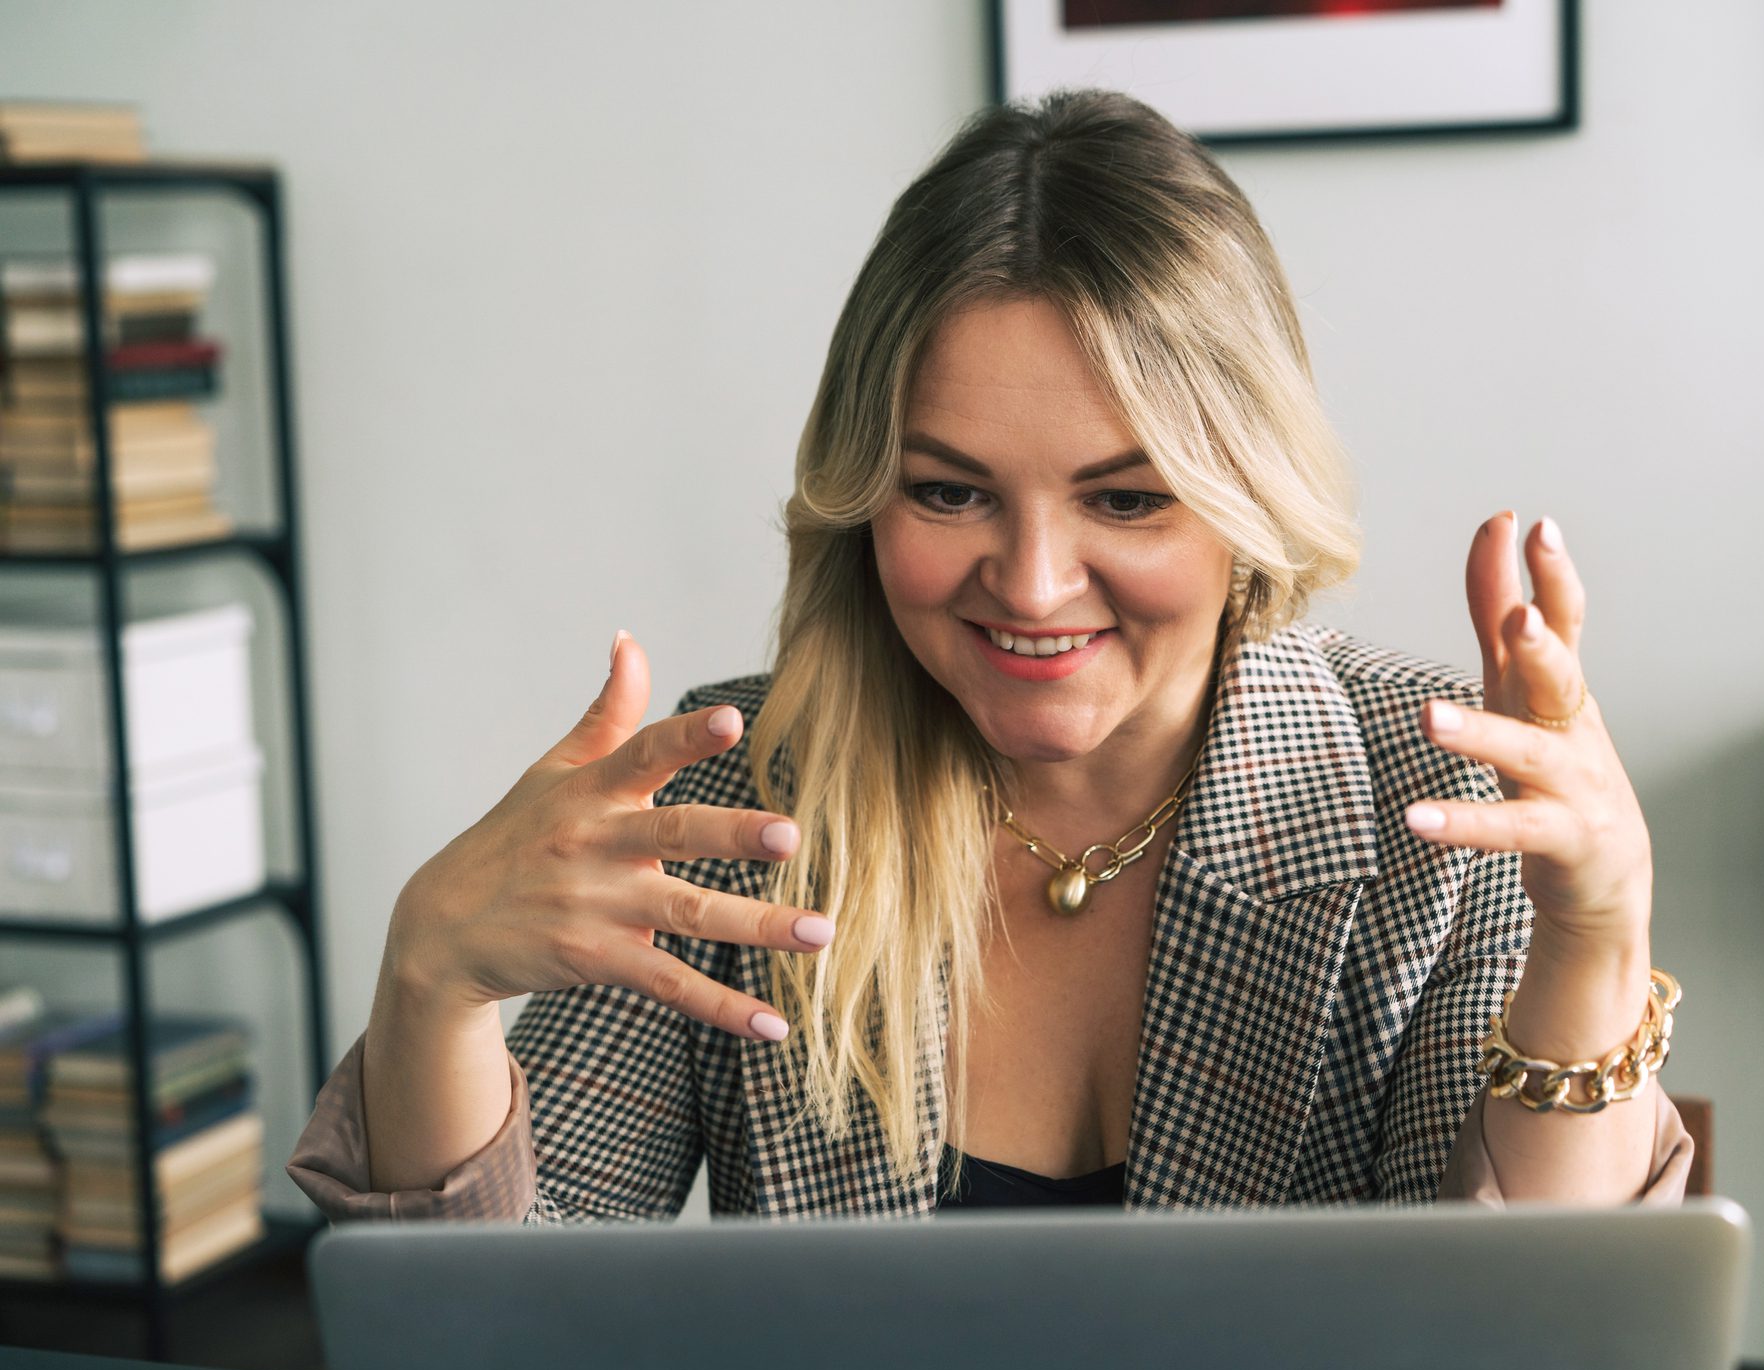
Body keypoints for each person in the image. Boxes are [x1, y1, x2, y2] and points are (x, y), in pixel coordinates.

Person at [288, 87, 1690, 1223]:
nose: (1027, 584)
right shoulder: (736, 799)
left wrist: (1593, 942)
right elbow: (502, 1342)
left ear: (1244, 506)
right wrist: (431, 984)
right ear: (862, 494)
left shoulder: (1440, 801)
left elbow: (1518, 1344)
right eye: (947, 490)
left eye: (1124, 499)